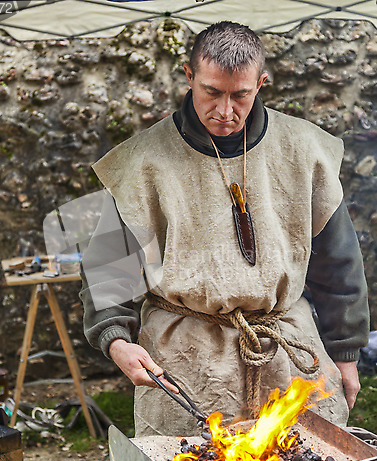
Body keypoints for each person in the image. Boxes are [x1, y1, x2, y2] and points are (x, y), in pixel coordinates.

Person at [80, 22, 369, 437]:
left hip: (284, 348)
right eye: (211, 92)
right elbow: (109, 269)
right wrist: (117, 340)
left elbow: (338, 263)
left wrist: (345, 352)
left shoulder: (304, 150)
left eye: (241, 95)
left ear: (261, 83)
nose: (225, 110)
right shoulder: (143, 162)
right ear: (189, 76)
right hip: (185, 359)